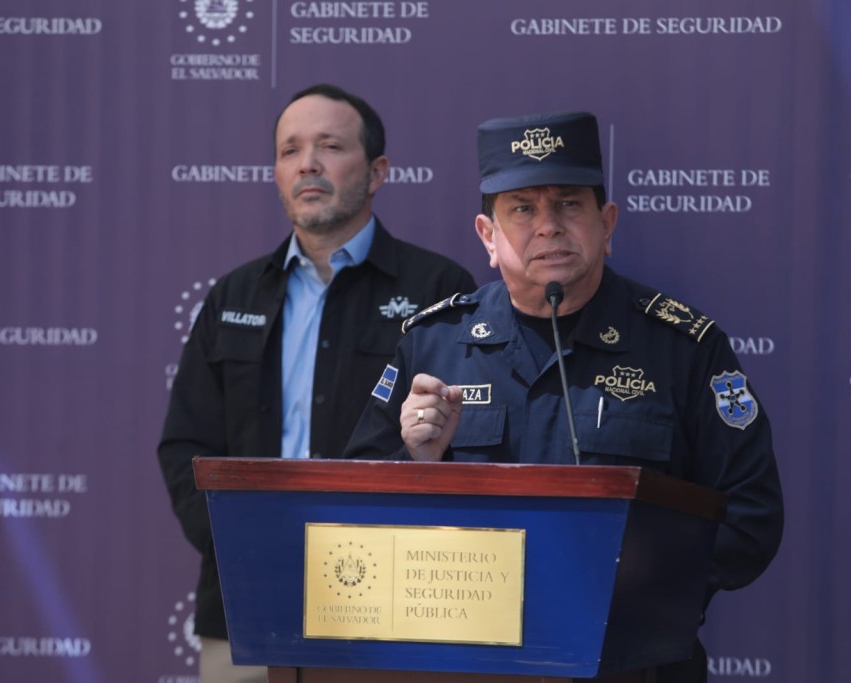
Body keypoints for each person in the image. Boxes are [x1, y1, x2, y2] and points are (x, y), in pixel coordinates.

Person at [344, 111, 784, 682]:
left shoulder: (685, 348)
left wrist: (627, 587)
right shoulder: (432, 346)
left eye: (569, 204)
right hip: (465, 664)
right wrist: (416, 463)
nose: (548, 226)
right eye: (522, 208)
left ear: (607, 222)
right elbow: (350, 513)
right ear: (488, 236)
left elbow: (751, 515)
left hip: (627, 661)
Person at [157, 84, 476, 683]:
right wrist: (236, 541)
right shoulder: (232, 297)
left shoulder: (439, 290)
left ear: (377, 171)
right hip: (246, 600)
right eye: (290, 150)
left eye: (330, 146)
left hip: (392, 604)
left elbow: (466, 447)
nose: (307, 163)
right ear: (277, 172)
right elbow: (184, 445)